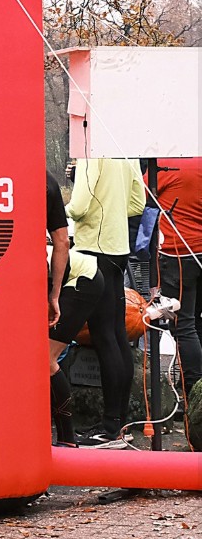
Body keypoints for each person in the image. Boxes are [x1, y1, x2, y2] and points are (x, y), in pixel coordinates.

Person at [67, 158, 145, 447]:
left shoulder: (91, 153)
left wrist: (57, 212)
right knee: (116, 335)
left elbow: (78, 206)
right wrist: (111, 212)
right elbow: (138, 202)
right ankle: (119, 424)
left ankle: (110, 430)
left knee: (104, 337)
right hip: (118, 249)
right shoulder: (126, 150)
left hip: (92, 250)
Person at [46, 171, 103, 447]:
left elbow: (62, 242)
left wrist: (54, 295)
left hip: (82, 280)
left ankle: (67, 438)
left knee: (44, 360)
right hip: (71, 277)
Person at [154, 157, 201, 395]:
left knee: (182, 324)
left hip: (179, 255)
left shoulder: (169, 164)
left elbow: (139, 194)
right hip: (197, 253)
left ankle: (194, 391)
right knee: (195, 321)